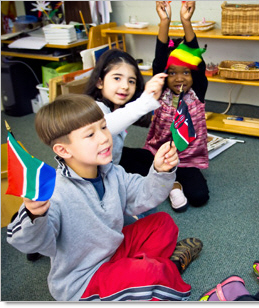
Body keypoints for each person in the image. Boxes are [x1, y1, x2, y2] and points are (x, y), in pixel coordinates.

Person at [7, 94, 203, 301]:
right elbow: (30, 243)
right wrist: (34, 215)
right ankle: (164, 270)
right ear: (63, 150)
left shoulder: (112, 172)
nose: (104, 138)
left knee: (163, 223)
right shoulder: (54, 192)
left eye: (103, 127)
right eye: (90, 135)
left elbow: (145, 195)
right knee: (148, 272)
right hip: (84, 280)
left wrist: (160, 170)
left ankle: (140, 276)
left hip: (113, 252)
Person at [144, 1, 210, 213]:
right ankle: (171, 184)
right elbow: (160, 58)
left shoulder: (197, 93)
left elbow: (197, 60)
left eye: (186, 72)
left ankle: (172, 181)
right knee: (126, 165)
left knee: (199, 197)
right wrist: (165, 21)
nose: (179, 78)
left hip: (187, 159)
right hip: (159, 154)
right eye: (172, 73)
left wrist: (185, 21)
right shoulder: (161, 92)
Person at [85, 48, 168, 176]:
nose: (125, 86)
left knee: (150, 157)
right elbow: (106, 126)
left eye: (131, 81)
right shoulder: (93, 108)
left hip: (113, 159)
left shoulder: (118, 107)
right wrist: (145, 100)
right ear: (99, 82)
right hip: (97, 175)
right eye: (117, 78)